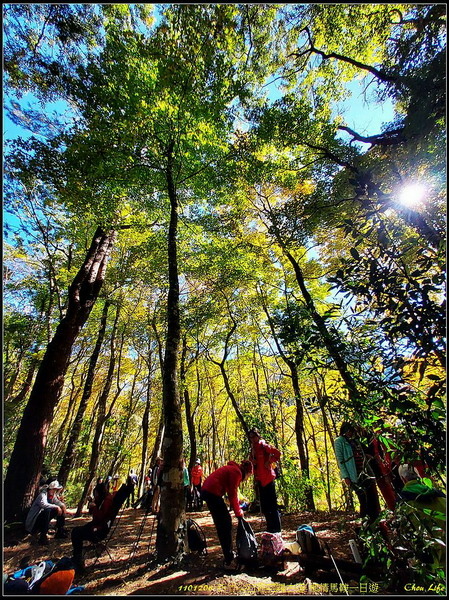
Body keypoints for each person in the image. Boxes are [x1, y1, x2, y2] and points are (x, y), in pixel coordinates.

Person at [201, 460, 254, 570]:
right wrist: (238, 512)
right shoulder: (237, 473)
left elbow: (233, 493)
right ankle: (229, 560)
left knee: (225, 523)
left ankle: (229, 555)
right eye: (249, 475)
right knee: (224, 524)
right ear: (247, 472)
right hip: (212, 492)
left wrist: (238, 507)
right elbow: (232, 494)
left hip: (210, 492)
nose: (247, 478)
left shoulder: (234, 470)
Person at [334, 422, 381, 523]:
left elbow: (363, 454)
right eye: (350, 431)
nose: (351, 433)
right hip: (353, 474)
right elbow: (340, 460)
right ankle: (364, 522)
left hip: (365, 472)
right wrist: (346, 477)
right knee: (362, 498)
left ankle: (374, 521)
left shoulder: (356, 441)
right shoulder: (339, 441)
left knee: (371, 498)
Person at [248, 428, 282, 533]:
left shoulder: (264, 446)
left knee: (272, 505)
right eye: (251, 437)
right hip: (260, 480)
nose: (253, 439)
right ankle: (270, 527)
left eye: (254, 436)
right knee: (265, 507)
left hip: (268, 479)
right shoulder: (253, 449)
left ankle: (277, 528)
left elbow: (278, 454)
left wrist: (270, 461)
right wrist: (252, 461)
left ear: (258, 436)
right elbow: (251, 462)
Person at [25, 480, 68, 545]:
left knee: (60, 509)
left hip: (42, 520)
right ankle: (42, 537)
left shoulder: (53, 496)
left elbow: (57, 502)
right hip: (34, 522)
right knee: (47, 511)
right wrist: (57, 507)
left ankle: (60, 531)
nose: (54, 491)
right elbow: (44, 505)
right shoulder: (42, 495)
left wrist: (62, 506)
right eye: (54, 489)